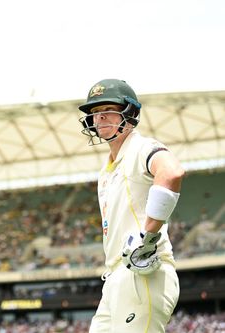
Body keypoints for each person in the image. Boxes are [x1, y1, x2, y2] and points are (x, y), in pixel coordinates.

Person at [78, 79, 184, 332]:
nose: (99, 117)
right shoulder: (107, 170)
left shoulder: (140, 147)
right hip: (115, 277)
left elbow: (171, 173)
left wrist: (147, 236)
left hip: (143, 272)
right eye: (94, 112)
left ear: (130, 113)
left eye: (108, 109)